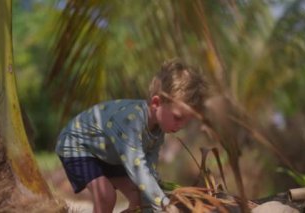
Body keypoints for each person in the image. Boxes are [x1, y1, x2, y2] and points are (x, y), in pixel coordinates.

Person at [55, 58, 208, 212]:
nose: (181, 126)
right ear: (156, 104)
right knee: (106, 195)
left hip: (106, 153)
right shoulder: (131, 122)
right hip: (77, 144)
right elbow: (138, 169)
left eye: (186, 121)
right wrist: (164, 204)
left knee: (139, 196)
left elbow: (150, 164)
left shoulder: (157, 129)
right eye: (177, 117)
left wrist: (156, 192)